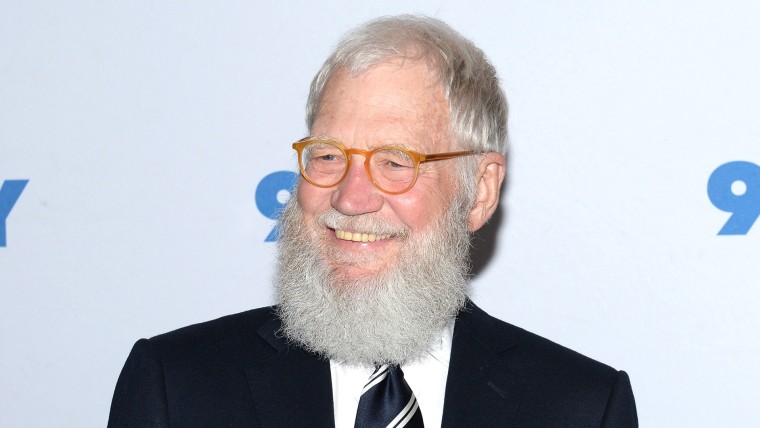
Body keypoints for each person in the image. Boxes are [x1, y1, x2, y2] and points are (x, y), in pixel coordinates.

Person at [108, 15, 638, 427]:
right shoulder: (177, 387)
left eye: (395, 162)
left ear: (479, 191)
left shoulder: (580, 408)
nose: (350, 198)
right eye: (327, 155)